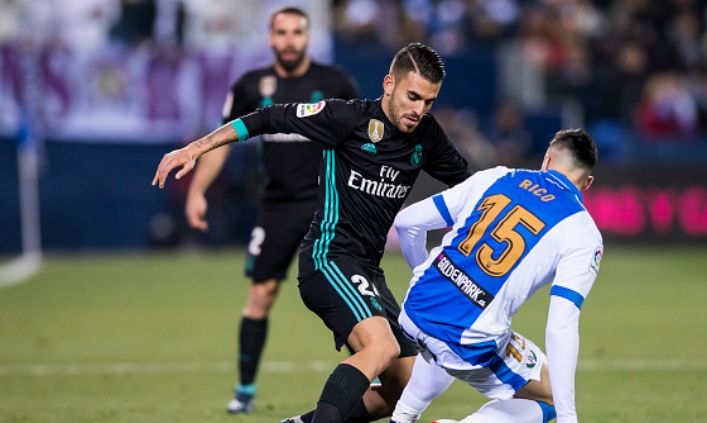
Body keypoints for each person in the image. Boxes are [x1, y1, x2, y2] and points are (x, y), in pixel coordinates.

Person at [152, 43, 472, 423]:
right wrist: (196, 148)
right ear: (389, 84)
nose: (419, 110)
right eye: (413, 96)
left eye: (429, 102)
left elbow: (474, 186)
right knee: (381, 346)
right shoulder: (346, 118)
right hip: (329, 256)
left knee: (405, 385)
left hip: (368, 271)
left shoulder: (428, 137)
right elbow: (265, 119)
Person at [183, 6, 358, 414]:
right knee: (261, 294)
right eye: (281, 32)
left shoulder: (336, 83)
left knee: (344, 293)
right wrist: (198, 191)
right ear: (269, 38)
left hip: (326, 206)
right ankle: (244, 392)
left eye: (297, 32)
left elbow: (360, 141)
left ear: (308, 37)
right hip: (277, 206)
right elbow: (221, 142)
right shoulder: (250, 86)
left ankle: (375, 369)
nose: (289, 40)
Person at [389, 129, 603, 423]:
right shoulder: (582, 231)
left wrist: (423, 273)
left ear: (547, 159)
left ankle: (403, 416)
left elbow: (407, 222)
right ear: (587, 183)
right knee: (552, 395)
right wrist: (569, 417)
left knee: (443, 339)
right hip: (469, 340)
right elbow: (560, 325)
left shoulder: (496, 177)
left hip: (414, 308)